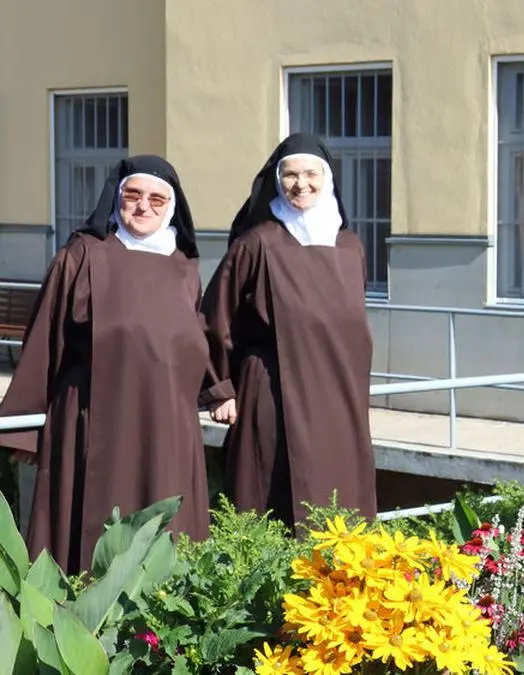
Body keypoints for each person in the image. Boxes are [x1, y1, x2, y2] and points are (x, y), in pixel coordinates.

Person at [0, 155, 211, 574]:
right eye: (133, 195)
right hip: (90, 421)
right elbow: (45, 337)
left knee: (161, 532)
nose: (143, 206)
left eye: (156, 198)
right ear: (117, 198)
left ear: (172, 206)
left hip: (167, 428)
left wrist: (220, 391)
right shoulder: (82, 255)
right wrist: (24, 428)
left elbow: (196, 343)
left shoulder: (184, 269)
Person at [200, 132, 376, 529]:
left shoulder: (350, 246)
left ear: (327, 178)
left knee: (341, 498)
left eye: (311, 174)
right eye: (291, 175)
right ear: (277, 181)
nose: (301, 184)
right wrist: (220, 388)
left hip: (340, 396)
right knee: (272, 497)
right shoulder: (257, 243)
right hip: (273, 389)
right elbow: (213, 317)